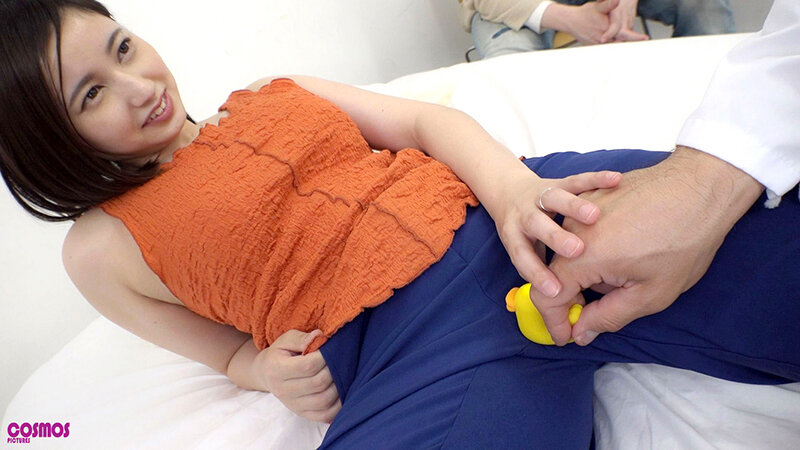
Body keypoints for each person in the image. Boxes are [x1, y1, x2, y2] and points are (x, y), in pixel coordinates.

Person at [0, 0, 796, 448]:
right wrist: (266, 372)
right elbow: (227, 354)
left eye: (123, 49)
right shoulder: (98, 247)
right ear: (48, 140)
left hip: (500, 219)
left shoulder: (272, 90)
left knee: (762, 250)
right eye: (91, 94)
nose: (138, 86)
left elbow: (421, 123)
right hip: (401, 346)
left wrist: (513, 191)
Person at [459, 0, 735, 59]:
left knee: (705, 6)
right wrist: (572, 20)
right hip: (518, 6)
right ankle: (534, 168)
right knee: (513, 63)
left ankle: (715, 120)